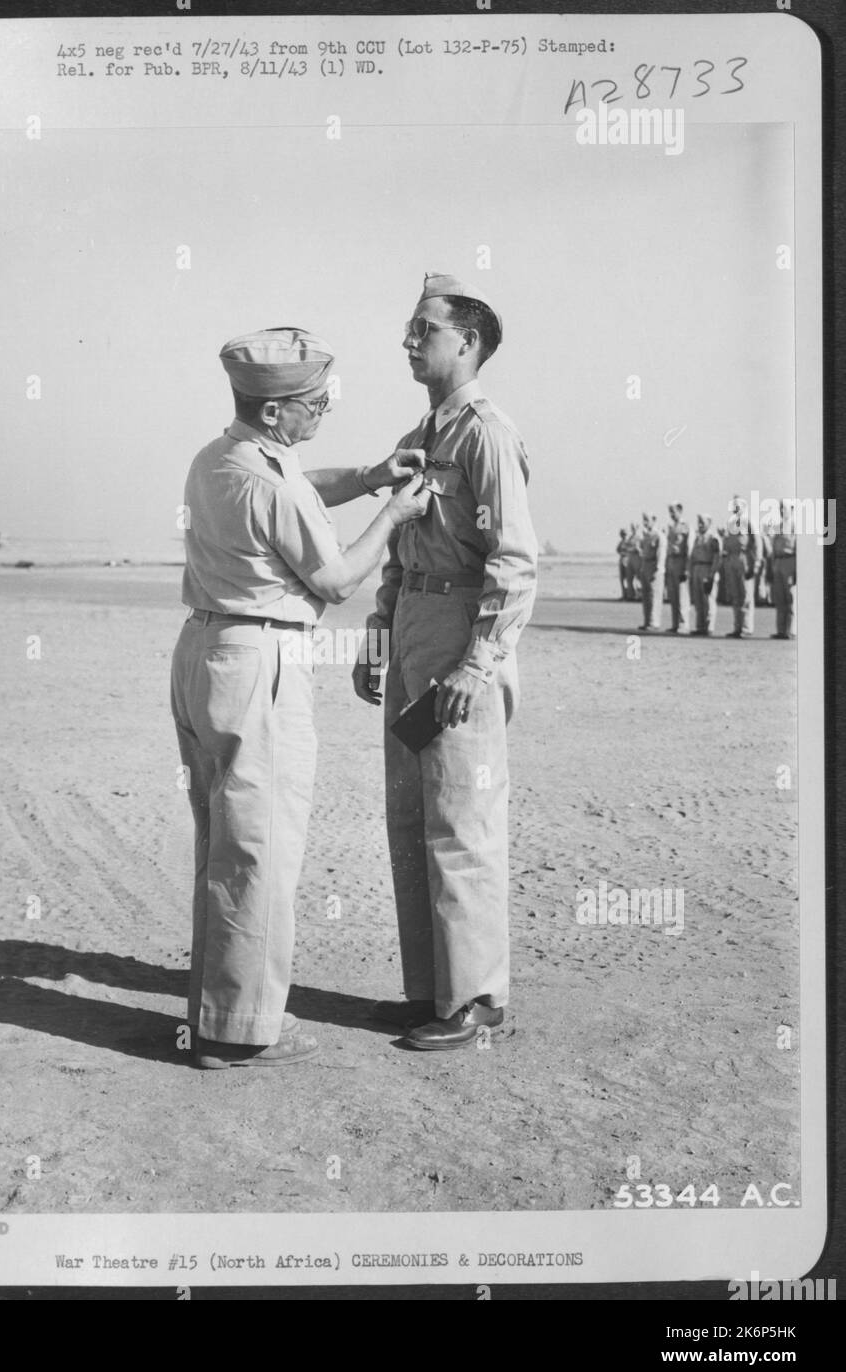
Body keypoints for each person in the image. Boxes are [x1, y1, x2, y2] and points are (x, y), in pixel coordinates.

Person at [171, 326, 429, 1069]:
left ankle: (218, 1012)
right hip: (258, 664)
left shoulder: (223, 457)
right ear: (277, 411)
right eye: (314, 405)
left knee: (224, 840)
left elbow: (299, 487)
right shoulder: (266, 479)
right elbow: (338, 581)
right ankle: (237, 1036)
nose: (322, 414)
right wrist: (395, 513)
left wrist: (373, 474)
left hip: (208, 653)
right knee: (261, 847)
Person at [352, 272, 537, 1051]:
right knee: (411, 820)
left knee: (461, 820)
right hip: (415, 633)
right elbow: (398, 556)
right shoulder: (417, 438)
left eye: (422, 329)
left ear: (465, 343)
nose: (407, 340)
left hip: (463, 635)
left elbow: (515, 560)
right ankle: (431, 991)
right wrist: (378, 635)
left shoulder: (485, 434)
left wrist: (478, 662)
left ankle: (474, 1001)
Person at [721, 494, 759, 637]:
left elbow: (757, 543)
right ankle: (737, 627)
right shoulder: (730, 523)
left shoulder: (749, 522)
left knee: (746, 595)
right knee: (735, 595)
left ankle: (746, 628)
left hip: (744, 559)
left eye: (738, 506)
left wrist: (756, 564)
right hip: (732, 559)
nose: (735, 508)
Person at [688, 513, 721, 635]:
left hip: (707, 568)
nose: (700, 525)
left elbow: (717, 557)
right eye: (699, 522)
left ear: (709, 523)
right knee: (698, 600)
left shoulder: (713, 538)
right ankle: (700, 626)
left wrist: (712, 575)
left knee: (708, 600)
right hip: (697, 568)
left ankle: (709, 627)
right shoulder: (698, 538)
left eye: (703, 522)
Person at [768, 501, 797, 639]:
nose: (781, 511)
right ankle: (781, 630)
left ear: (791, 510)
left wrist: (797, 570)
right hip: (778, 561)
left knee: (790, 598)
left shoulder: (795, 526)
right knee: (780, 599)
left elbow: (800, 549)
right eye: (780, 508)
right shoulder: (778, 527)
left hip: (790, 561)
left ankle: (790, 630)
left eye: (784, 508)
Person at [636, 512, 666, 632]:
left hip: (654, 567)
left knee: (655, 596)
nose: (645, 523)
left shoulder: (659, 536)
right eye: (644, 520)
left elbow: (661, 554)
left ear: (654, 520)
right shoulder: (646, 536)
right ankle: (647, 621)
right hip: (646, 565)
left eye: (647, 520)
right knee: (646, 596)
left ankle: (654, 622)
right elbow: (642, 552)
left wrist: (658, 569)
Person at [664, 501, 691, 634]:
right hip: (671, 562)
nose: (671, 514)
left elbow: (688, 549)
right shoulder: (671, 527)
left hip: (681, 561)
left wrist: (686, 568)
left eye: (673, 511)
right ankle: (675, 624)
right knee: (673, 596)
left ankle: (683, 624)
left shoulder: (685, 526)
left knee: (682, 596)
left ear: (680, 511)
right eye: (670, 512)